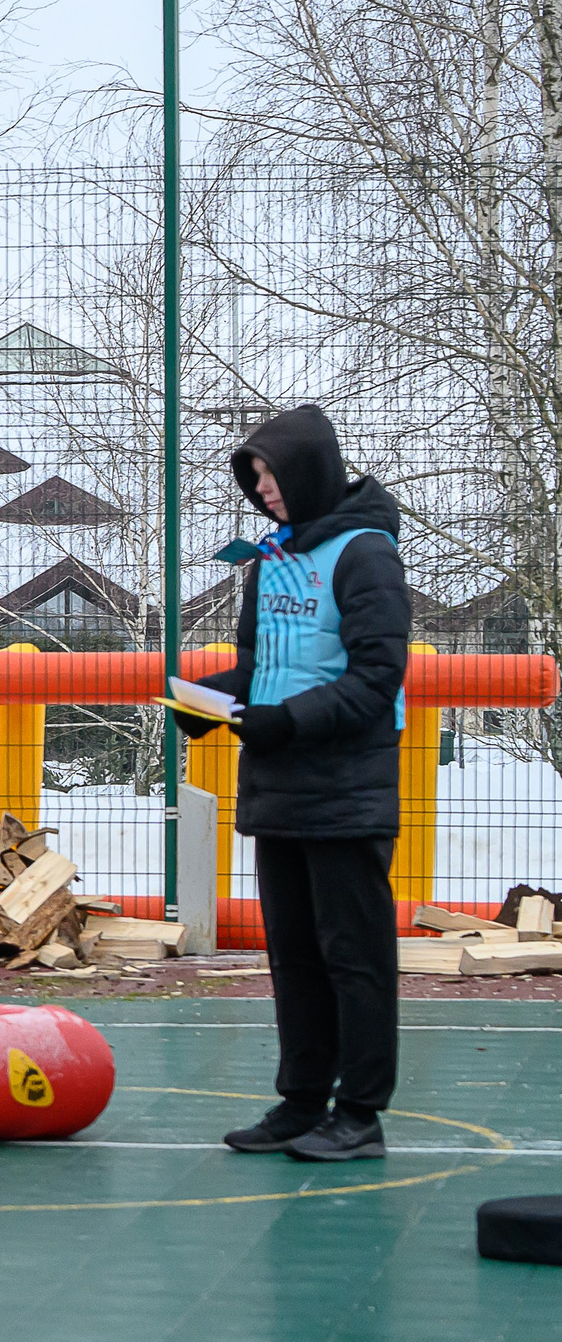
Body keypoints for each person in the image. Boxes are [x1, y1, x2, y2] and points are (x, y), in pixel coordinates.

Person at [183, 403, 410, 1162]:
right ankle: (302, 1099)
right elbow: (257, 668)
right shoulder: (273, 555)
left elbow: (378, 678)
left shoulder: (366, 553)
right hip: (279, 789)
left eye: (272, 475)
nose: (264, 490)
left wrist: (286, 720)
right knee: (294, 954)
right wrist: (207, 701)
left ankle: (361, 1114)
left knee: (356, 956)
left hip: (346, 790)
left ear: (309, 469)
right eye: (254, 478)